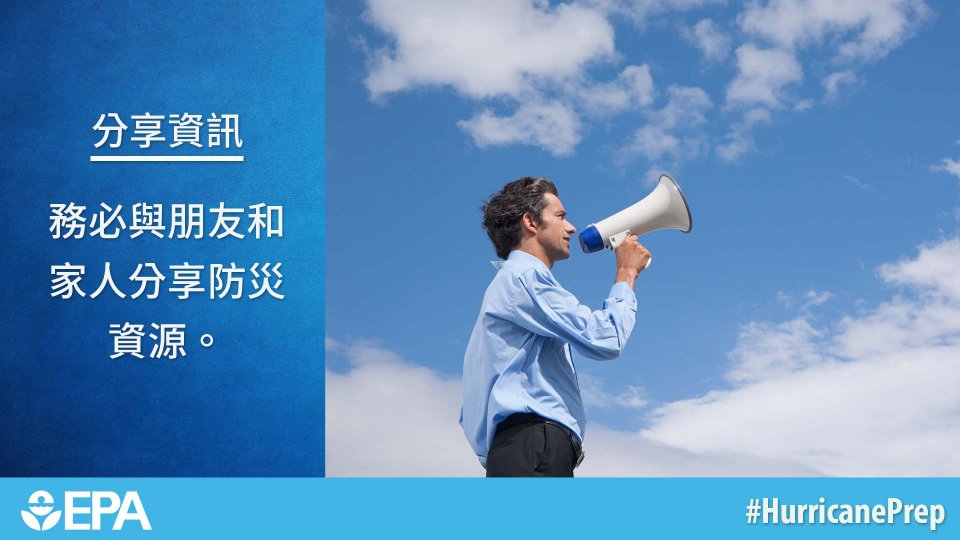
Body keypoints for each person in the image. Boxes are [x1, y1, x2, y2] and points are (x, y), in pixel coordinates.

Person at [460, 176, 651, 477]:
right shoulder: (524, 277)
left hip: (524, 449)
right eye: (560, 216)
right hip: (535, 445)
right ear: (531, 223)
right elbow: (606, 338)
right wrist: (626, 273)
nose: (571, 227)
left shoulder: (512, 284)